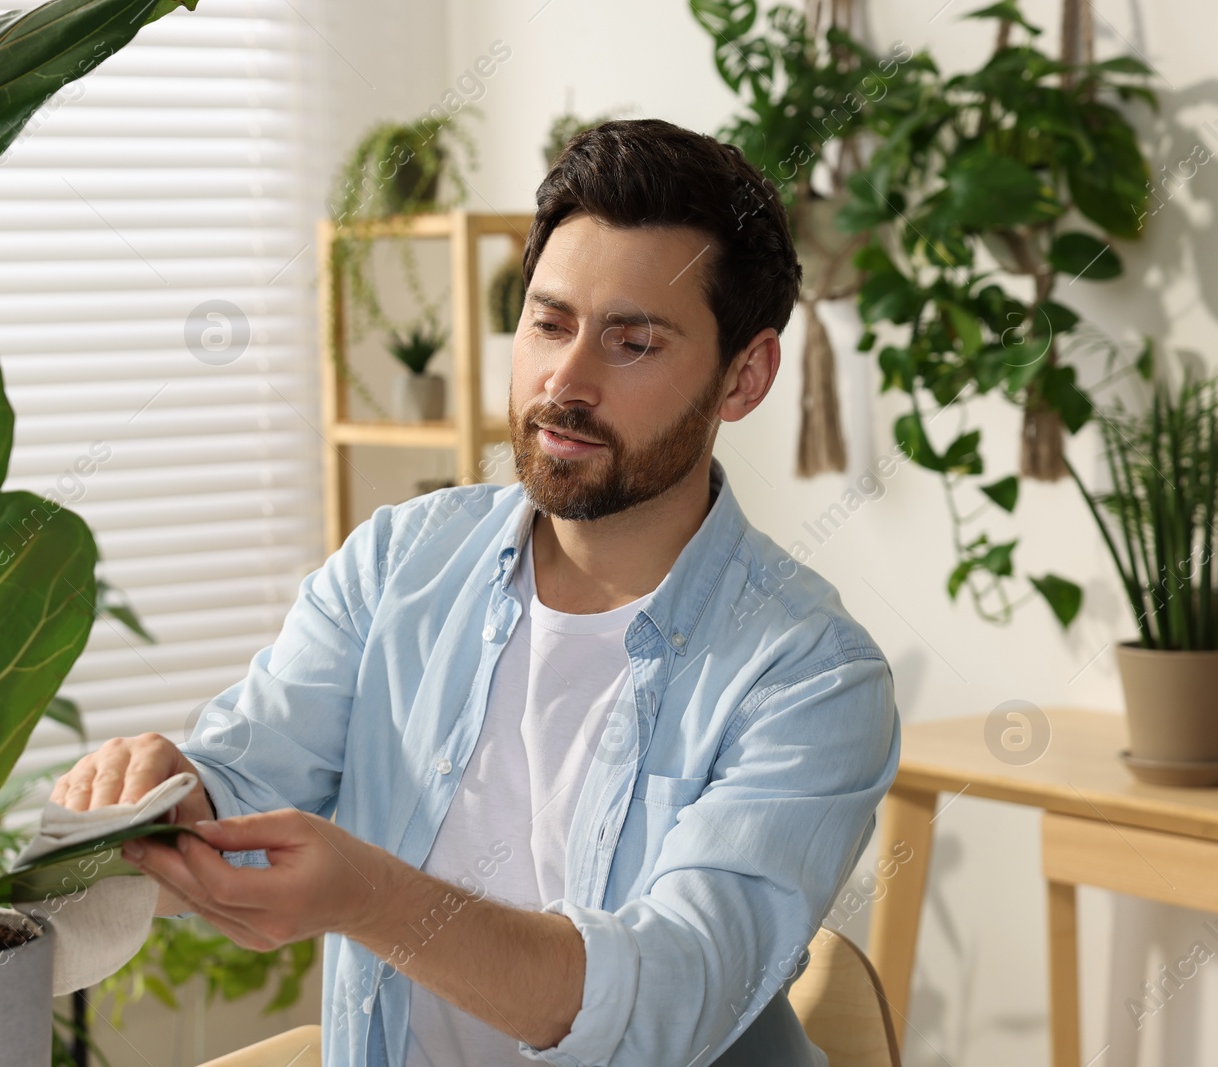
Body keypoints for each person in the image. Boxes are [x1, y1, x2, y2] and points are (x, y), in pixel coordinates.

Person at [52, 118, 900, 1067]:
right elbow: (249, 780)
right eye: (548, 322)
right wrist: (172, 797)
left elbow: (670, 1001)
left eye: (632, 342)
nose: (565, 381)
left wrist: (374, 896)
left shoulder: (810, 676)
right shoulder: (398, 563)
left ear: (744, 377)